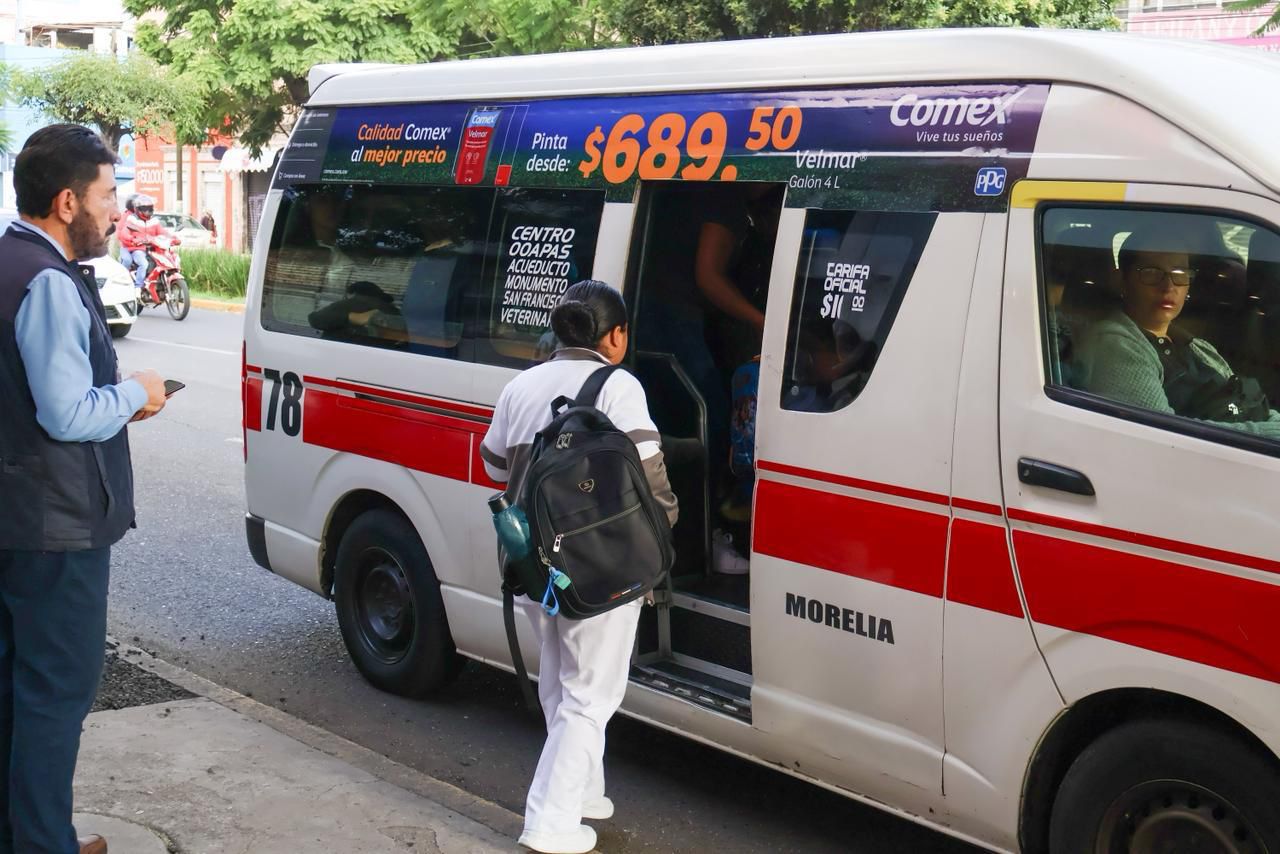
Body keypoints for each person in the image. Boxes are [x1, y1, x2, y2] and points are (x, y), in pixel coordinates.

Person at [0, 124, 168, 854]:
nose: (115, 211)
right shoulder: (46, 281)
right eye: (107, 196)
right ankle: (42, 844)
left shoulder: (6, 262)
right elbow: (67, 413)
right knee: (54, 693)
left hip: (16, 517)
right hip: (52, 525)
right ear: (68, 202)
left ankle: (29, 832)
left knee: (16, 687)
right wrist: (137, 392)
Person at [480, 281, 677, 854]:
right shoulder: (620, 387)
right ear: (614, 337)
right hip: (599, 565)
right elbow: (653, 477)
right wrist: (657, 542)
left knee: (561, 683)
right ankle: (551, 823)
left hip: (531, 563)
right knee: (591, 696)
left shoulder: (521, 384)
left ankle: (585, 792)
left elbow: (494, 463)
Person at [1078, 228, 1280, 438]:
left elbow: (1249, 404)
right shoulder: (1115, 344)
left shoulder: (1196, 345)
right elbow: (1164, 436)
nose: (1168, 287)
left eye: (1179, 274)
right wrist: (1270, 434)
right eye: (1151, 273)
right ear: (1121, 279)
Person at [117, 193, 171, 293]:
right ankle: (123, 281)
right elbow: (123, 233)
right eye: (144, 209)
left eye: (149, 209)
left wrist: (172, 238)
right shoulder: (130, 218)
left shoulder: (153, 221)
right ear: (136, 208)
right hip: (128, 247)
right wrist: (132, 239)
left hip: (141, 248)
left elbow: (162, 232)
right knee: (129, 261)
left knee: (153, 260)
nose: (147, 212)